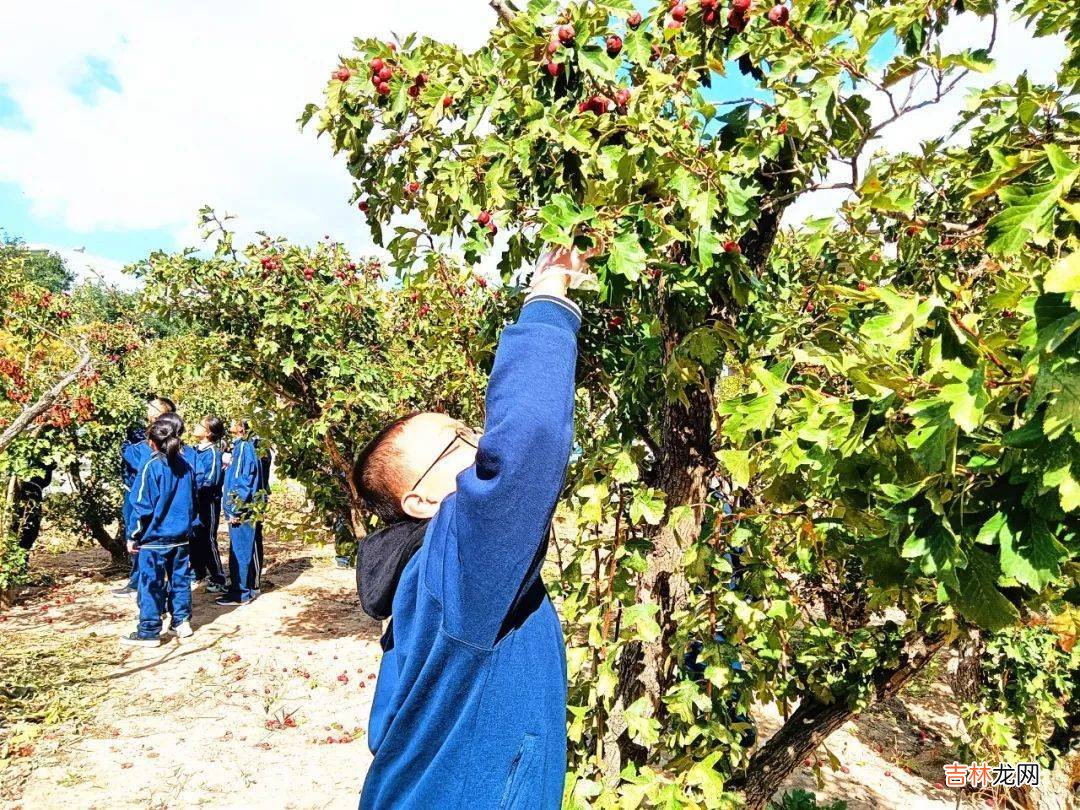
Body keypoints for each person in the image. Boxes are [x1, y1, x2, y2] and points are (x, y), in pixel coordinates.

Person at [351, 247, 588, 809]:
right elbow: (525, 441)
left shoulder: (422, 579)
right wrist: (549, 300)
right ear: (421, 500)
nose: (477, 443)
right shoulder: (456, 562)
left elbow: (386, 727)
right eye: (456, 442)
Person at [121, 415, 197, 647]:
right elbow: (192, 501)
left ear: (152, 442)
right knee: (180, 580)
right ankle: (181, 623)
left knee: (151, 583)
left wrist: (133, 535)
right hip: (181, 537)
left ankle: (149, 631)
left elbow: (141, 505)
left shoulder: (151, 465)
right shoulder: (186, 465)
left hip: (155, 539)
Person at [113, 395, 176, 597]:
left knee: (141, 533)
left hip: (140, 492)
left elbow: (138, 459)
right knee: (136, 533)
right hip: (132, 488)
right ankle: (137, 577)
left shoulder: (154, 437)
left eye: (152, 406)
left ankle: (141, 580)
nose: (147, 409)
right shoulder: (142, 431)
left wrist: (125, 448)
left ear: (162, 412)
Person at [216, 419, 261, 607]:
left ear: (241, 428)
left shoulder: (243, 447)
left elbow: (242, 480)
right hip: (242, 508)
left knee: (240, 550)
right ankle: (245, 588)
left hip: (241, 510)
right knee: (242, 548)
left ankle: (241, 592)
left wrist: (235, 507)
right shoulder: (243, 447)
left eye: (235, 422)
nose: (231, 423)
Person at [183, 416, 227, 593]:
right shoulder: (193, 451)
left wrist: (193, 488)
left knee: (208, 539)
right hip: (193, 503)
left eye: (199, 425)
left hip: (207, 503)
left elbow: (211, 481)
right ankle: (197, 574)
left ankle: (218, 577)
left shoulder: (213, 454)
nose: (195, 426)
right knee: (193, 538)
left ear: (208, 432)